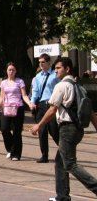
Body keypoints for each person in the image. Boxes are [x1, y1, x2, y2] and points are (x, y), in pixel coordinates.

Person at [31, 57, 97, 201]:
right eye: (55, 68)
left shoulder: (61, 86)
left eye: (58, 68)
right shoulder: (79, 86)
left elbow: (52, 109)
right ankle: (62, 196)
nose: (56, 71)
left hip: (67, 129)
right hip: (78, 129)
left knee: (70, 164)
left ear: (67, 69)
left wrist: (39, 125)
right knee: (60, 162)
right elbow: (90, 111)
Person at [0, 62, 33, 161]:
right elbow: (1, 97)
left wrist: (29, 103)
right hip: (7, 108)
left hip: (18, 107)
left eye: (13, 70)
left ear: (16, 71)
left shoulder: (20, 82)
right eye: (9, 70)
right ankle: (10, 149)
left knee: (17, 131)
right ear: (6, 71)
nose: (11, 72)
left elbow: (24, 95)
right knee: (4, 129)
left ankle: (16, 154)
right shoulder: (3, 83)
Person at [30, 53, 59, 163]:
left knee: (53, 130)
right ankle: (44, 155)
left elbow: (59, 88)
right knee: (41, 130)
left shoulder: (55, 75)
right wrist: (33, 102)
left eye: (43, 62)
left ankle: (64, 150)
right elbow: (35, 91)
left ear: (48, 63)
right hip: (41, 105)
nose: (41, 64)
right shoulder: (38, 77)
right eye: (39, 62)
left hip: (51, 104)